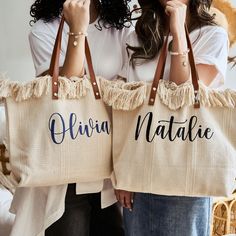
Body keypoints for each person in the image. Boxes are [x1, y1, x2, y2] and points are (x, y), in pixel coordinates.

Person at [9, 0, 132, 236]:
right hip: (63, 169)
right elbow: (65, 91)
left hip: (109, 167)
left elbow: (128, 98)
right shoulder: (44, 31)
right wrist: (78, 29)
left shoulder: (122, 31)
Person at [115, 0, 229, 235]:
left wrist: (178, 34)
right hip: (140, 172)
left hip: (186, 174)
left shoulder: (213, 36)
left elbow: (183, 97)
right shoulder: (138, 38)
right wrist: (123, 175)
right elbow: (127, 110)